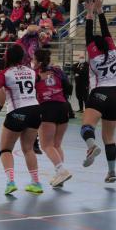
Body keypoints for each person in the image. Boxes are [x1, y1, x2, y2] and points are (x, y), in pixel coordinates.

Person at [0, 44, 43, 195]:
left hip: (17, 111)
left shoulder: (6, 73)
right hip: (35, 111)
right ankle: (36, 183)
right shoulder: (31, 71)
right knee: (28, 149)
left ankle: (11, 182)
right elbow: (39, 80)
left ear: (8, 57)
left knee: (5, 150)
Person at [80, 0, 116, 183]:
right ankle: (111, 172)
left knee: (87, 128)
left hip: (99, 93)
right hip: (115, 96)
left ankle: (91, 147)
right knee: (109, 137)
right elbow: (106, 31)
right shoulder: (112, 50)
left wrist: (89, 12)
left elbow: (89, 34)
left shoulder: (93, 54)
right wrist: (100, 10)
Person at [33, 49, 72, 187]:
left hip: (47, 108)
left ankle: (62, 171)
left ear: (37, 61)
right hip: (63, 106)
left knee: (46, 145)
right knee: (56, 144)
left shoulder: (35, 74)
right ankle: (59, 176)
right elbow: (69, 87)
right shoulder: (57, 71)